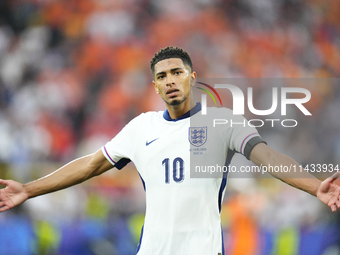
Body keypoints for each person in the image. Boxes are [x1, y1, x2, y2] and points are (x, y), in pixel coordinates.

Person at [0, 46, 339, 255]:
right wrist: (29, 189)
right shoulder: (141, 127)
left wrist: (315, 187)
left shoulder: (223, 122)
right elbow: (89, 165)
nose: (170, 80)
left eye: (177, 72)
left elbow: (269, 159)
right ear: (155, 85)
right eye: (162, 76)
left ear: (192, 77)